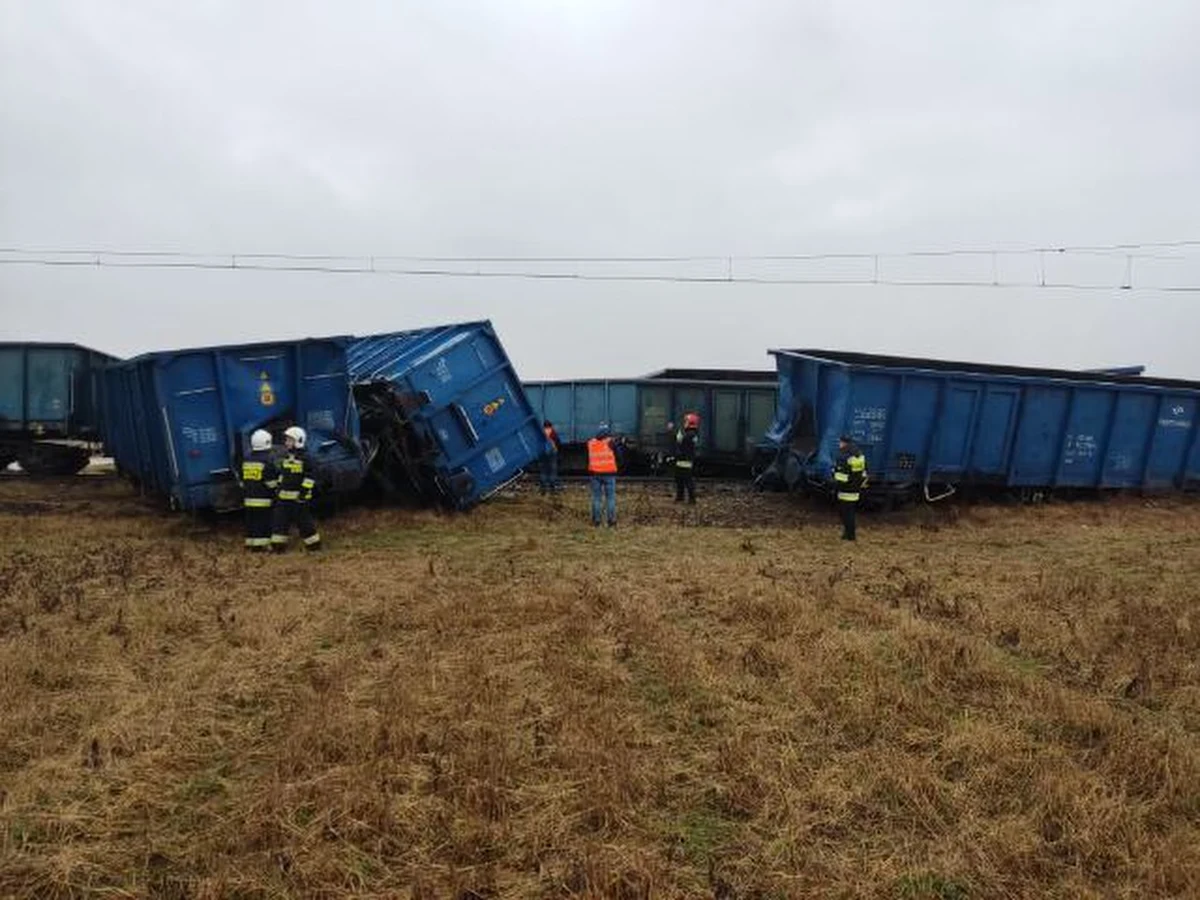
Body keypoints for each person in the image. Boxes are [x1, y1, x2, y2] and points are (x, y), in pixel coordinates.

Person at [271, 425, 322, 552]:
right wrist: (278, 488)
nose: (286, 442)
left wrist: (303, 494)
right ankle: (278, 548)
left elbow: (310, 477)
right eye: (287, 440)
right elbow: (283, 475)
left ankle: (314, 547)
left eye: (289, 440)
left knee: (305, 524)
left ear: (298, 441)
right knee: (279, 523)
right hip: (283, 499)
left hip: (299, 500)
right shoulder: (287, 458)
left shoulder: (306, 459)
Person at [240, 428, 278, 552]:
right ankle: (262, 546)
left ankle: (250, 543)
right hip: (263, 499)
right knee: (264, 523)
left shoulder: (247, 460)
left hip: (249, 498)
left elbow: (242, 480)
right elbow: (271, 483)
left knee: (251, 522)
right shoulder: (267, 461)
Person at [833, 434, 868, 541]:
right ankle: (848, 534)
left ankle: (849, 535)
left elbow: (841, 475)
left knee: (845, 513)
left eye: (840, 442)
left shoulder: (844, 456)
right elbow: (864, 471)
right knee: (850, 512)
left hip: (845, 489)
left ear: (844, 443)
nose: (839, 444)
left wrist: (834, 476)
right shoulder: (859, 455)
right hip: (856, 488)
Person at [587, 423, 619, 528]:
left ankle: (596, 521)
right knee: (610, 498)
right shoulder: (611, 443)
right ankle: (611, 522)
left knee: (596, 498)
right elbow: (620, 455)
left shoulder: (591, 443)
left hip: (595, 474)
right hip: (609, 474)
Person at [674, 412, 700, 504]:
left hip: (684, 460)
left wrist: (677, 437)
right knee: (680, 480)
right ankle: (680, 497)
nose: (684, 423)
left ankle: (690, 499)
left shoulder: (690, 434)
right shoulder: (692, 434)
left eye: (685, 421)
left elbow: (681, 443)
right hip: (684, 460)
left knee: (686, 480)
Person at [540, 419, 561, 494]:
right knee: (553, 469)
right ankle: (552, 486)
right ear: (550, 426)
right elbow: (558, 442)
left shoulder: (541, 433)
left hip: (543, 453)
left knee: (543, 469)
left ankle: (543, 487)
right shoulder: (553, 432)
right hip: (552, 453)